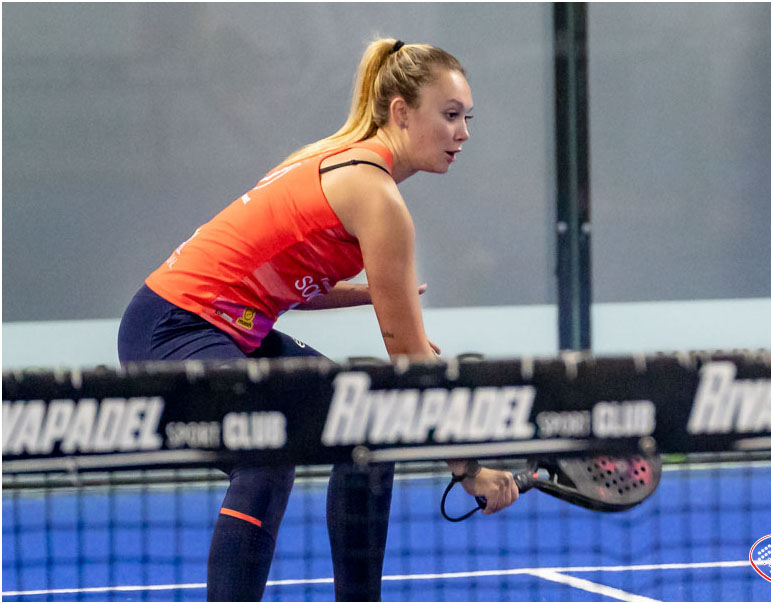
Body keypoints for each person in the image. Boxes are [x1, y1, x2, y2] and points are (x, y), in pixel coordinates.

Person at [117, 38, 519, 601]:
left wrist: (370, 294)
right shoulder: (377, 198)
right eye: (450, 115)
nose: (463, 133)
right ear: (401, 112)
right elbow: (409, 360)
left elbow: (277, 277)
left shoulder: (334, 159)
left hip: (227, 327)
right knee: (266, 452)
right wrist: (468, 468)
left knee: (369, 424)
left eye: (466, 118)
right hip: (173, 331)